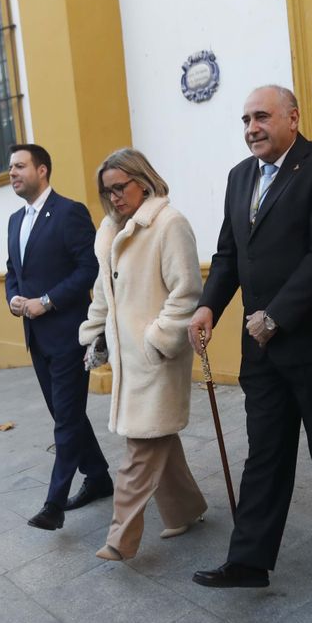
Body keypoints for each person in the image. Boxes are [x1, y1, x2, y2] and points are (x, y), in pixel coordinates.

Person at [187, 85, 312, 590]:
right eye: (244, 120)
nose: (251, 129)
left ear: (292, 117)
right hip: (260, 350)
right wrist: (208, 307)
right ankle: (248, 559)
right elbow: (228, 255)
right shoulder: (239, 177)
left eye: (261, 117)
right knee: (264, 451)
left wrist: (277, 316)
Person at [77, 148, 208, 561]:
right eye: (107, 191)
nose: (114, 197)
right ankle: (187, 509)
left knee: (140, 447)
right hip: (127, 359)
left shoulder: (169, 224)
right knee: (157, 437)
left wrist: (156, 340)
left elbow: (186, 293)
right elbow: (103, 293)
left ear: (144, 181)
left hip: (156, 359)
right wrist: (94, 333)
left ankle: (120, 539)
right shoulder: (108, 230)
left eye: (121, 187)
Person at [4, 143, 114, 531]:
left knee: (65, 419)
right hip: (36, 337)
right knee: (64, 414)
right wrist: (14, 298)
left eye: (20, 166)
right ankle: (98, 476)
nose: (12, 174)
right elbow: (12, 271)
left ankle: (54, 504)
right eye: (10, 168)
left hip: (70, 334)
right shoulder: (15, 221)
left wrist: (47, 301)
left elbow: (90, 270)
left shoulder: (69, 213)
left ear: (43, 170)